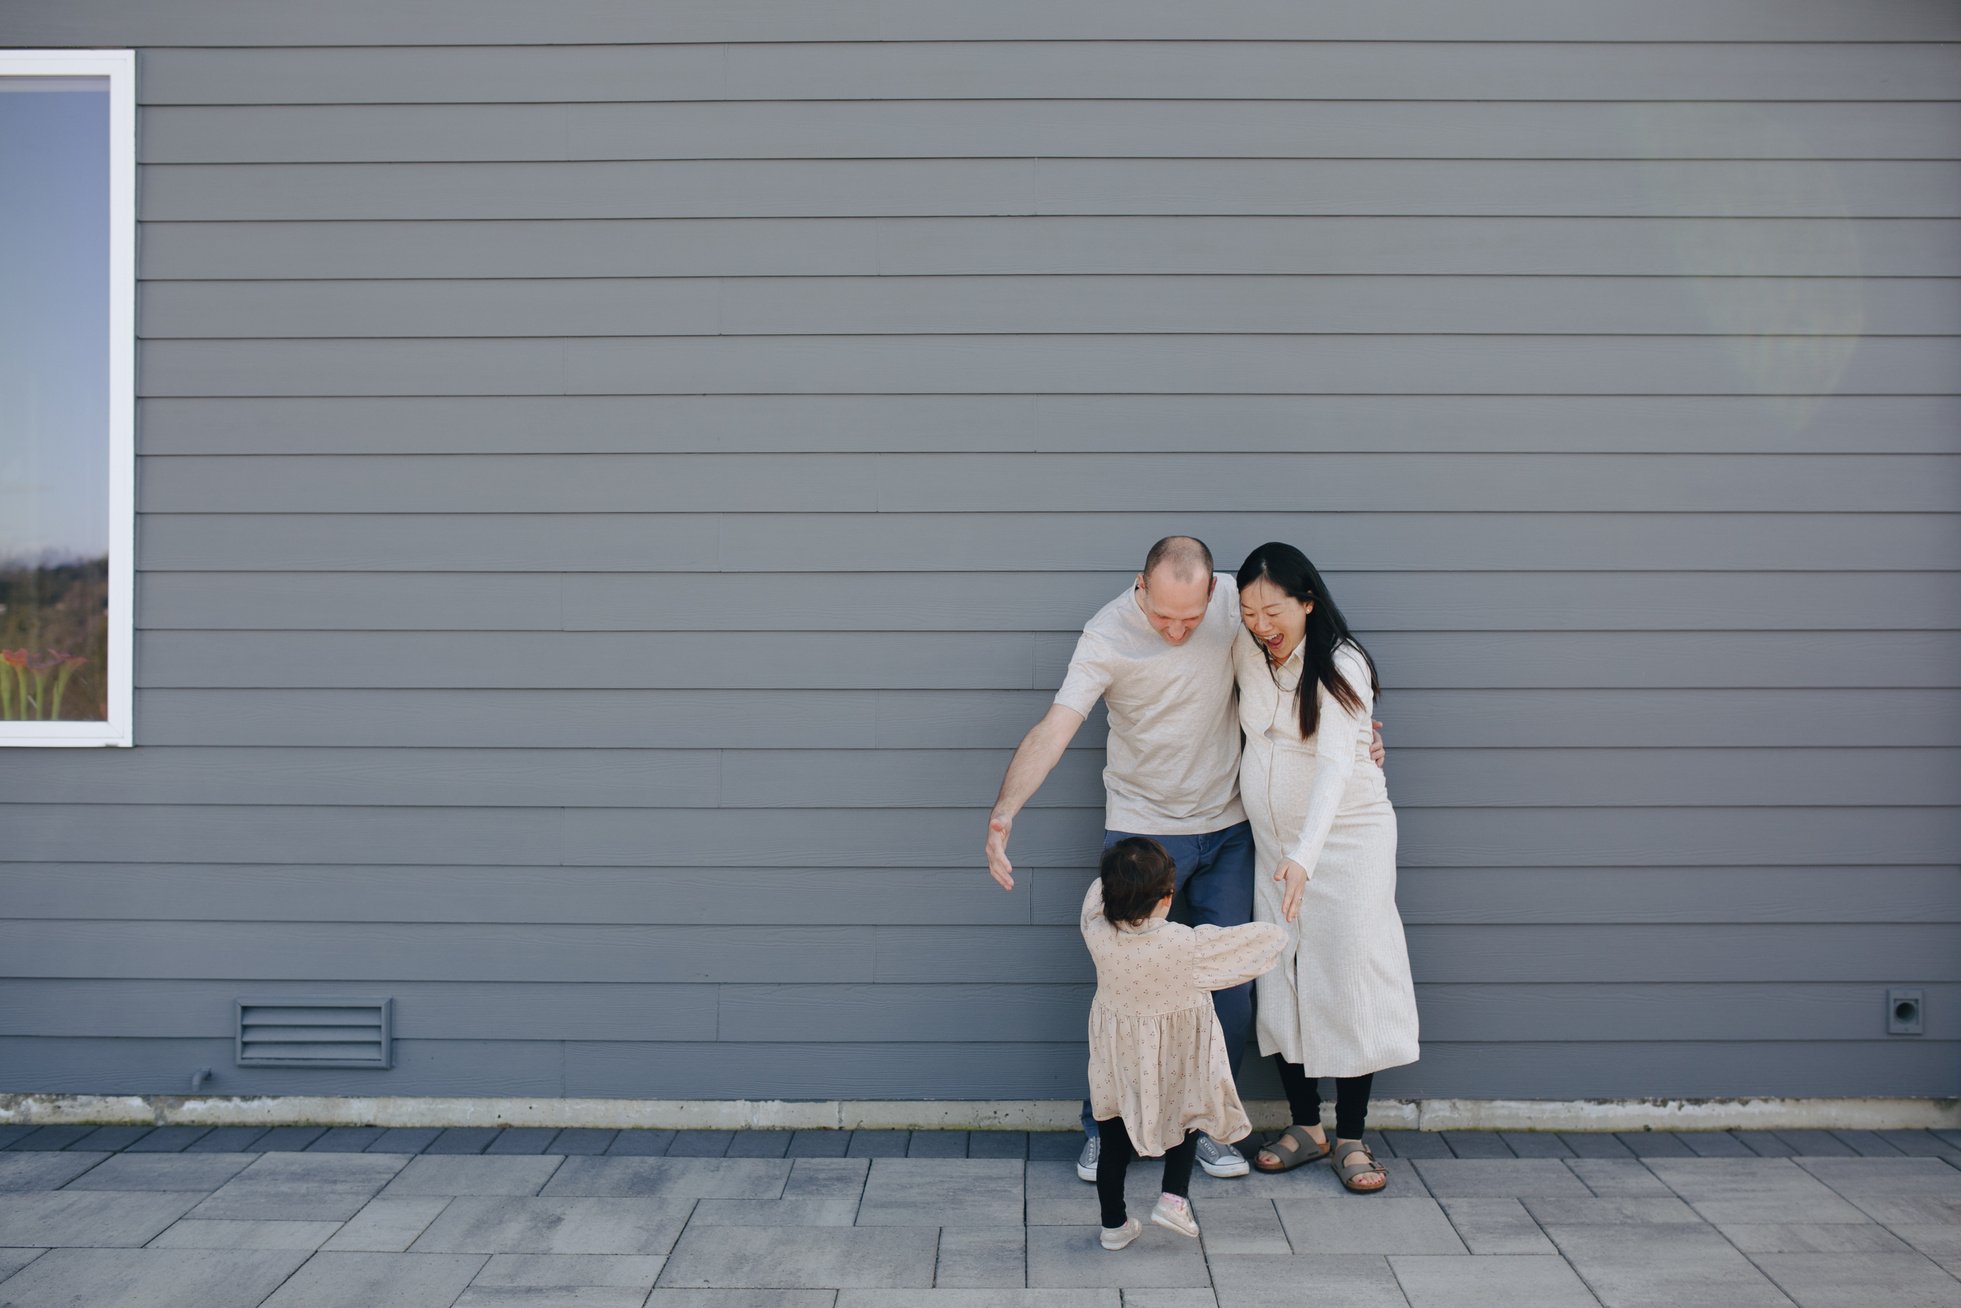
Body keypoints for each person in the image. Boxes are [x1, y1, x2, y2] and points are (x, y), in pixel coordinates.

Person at [985, 535, 1384, 1183]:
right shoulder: (1107, 634)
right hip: (1143, 835)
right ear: (1140, 587)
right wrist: (1004, 812)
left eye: (1190, 619)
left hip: (1228, 829)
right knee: (1126, 989)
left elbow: (1308, 664)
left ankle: (1202, 1129)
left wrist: (1362, 729)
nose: (1176, 630)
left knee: (1228, 995)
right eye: (1162, 616)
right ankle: (1104, 1130)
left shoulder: (1234, 602)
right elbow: (1057, 725)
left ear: (1211, 594)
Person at [1233, 542, 1419, 1194]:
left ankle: (1351, 1137)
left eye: (1273, 609)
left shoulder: (1342, 663)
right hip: (1274, 847)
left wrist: (1303, 860)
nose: (1260, 623)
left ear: (1307, 601)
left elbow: (1338, 767)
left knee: (1344, 975)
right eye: (1248, 610)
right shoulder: (1248, 650)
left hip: (1344, 845)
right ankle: (1306, 1127)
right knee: (1281, 976)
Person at [1081, 837, 1289, 1248]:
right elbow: (1254, 944)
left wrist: (1117, 879)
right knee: (1188, 1117)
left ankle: (1114, 1226)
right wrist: (1282, 925)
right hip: (1177, 1058)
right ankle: (1173, 1199)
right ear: (1166, 899)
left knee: (1113, 1145)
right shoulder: (1184, 945)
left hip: (1118, 1065)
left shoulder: (1096, 931)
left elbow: (1095, 894)